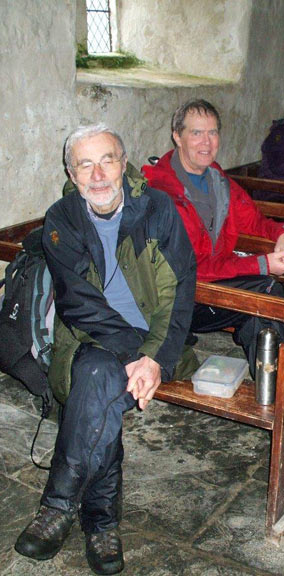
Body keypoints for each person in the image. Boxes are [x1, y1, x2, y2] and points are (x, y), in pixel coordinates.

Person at [142, 99, 284, 479]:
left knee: (262, 323)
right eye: (196, 132)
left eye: (213, 132)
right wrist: (263, 263)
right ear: (177, 137)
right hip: (178, 304)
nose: (206, 141)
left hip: (216, 291)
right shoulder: (161, 192)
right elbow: (194, 269)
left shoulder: (217, 179)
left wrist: (280, 235)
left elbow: (254, 219)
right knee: (267, 290)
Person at [14, 124, 198, 575]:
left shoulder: (158, 209)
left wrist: (154, 356)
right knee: (99, 378)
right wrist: (133, 357)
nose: (97, 175)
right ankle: (99, 521)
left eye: (107, 160)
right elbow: (79, 305)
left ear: (124, 162)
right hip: (89, 341)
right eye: (84, 164)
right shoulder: (62, 218)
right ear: (71, 172)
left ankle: (59, 509)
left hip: (159, 344)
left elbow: (182, 290)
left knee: (97, 390)